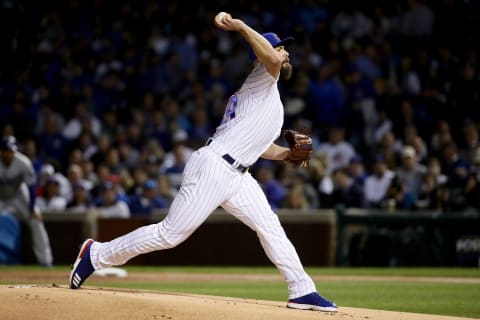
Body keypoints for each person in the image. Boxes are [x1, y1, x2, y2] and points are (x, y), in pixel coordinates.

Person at [69, 12, 337, 312]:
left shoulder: (267, 96)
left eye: (284, 48)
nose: (285, 52)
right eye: (279, 47)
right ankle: (96, 254)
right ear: (260, 55)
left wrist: (286, 155)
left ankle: (302, 289)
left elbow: (259, 147)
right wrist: (240, 26)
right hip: (215, 167)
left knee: (270, 226)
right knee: (170, 234)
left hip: (237, 174)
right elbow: (272, 61)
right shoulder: (263, 75)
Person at [0, 135, 53, 266]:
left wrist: (31, 208)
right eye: (6, 151)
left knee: (36, 221)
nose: (9, 154)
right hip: (1, 196)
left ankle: (46, 261)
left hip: (19, 195)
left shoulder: (23, 162)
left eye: (11, 151)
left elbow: (31, 186)